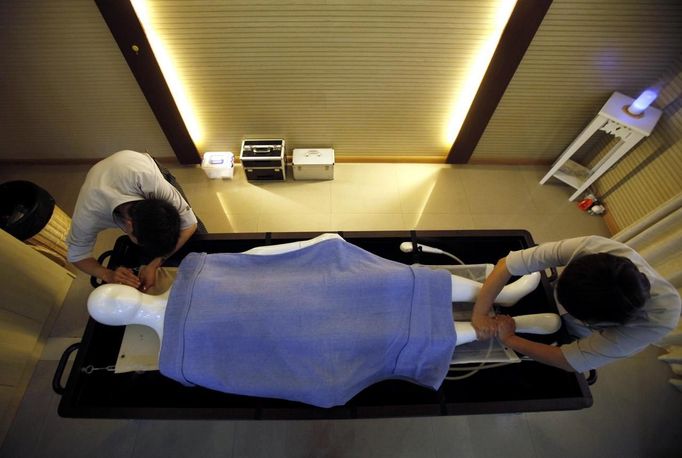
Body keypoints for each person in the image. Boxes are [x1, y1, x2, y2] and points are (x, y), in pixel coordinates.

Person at [87, 233, 560, 408]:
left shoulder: (193, 272)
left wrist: (316, 250)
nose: (120, 302)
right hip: (307, 339)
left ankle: (503, 294)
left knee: (390, 283)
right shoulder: (178, 361)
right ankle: (501, 326)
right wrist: (310, 379)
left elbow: (256, 260)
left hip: (307, 288)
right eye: (115, 303)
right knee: (374, 334)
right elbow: (250, 376)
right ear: (124, 304)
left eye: (112, 296)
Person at [472, 236, 681, 373]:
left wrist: (510, 338)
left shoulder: (657, 320)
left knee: (556, 328)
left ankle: (568, 324)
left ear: (603, 325)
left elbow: (568, 360)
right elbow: (506, 265)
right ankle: (512, 297)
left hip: (578, 329)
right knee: (548, 317)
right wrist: (479, 313)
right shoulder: (596, 249)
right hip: (578, 304)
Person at [67, 150, 206, 291]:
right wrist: (108, 274)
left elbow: (190, 224)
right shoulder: (89, 214)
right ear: (127, 226)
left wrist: (155, 263)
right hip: (109, 178)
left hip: (139, 166)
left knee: (199, 239)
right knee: (146, 249)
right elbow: (76, 255)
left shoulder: (153, 184)